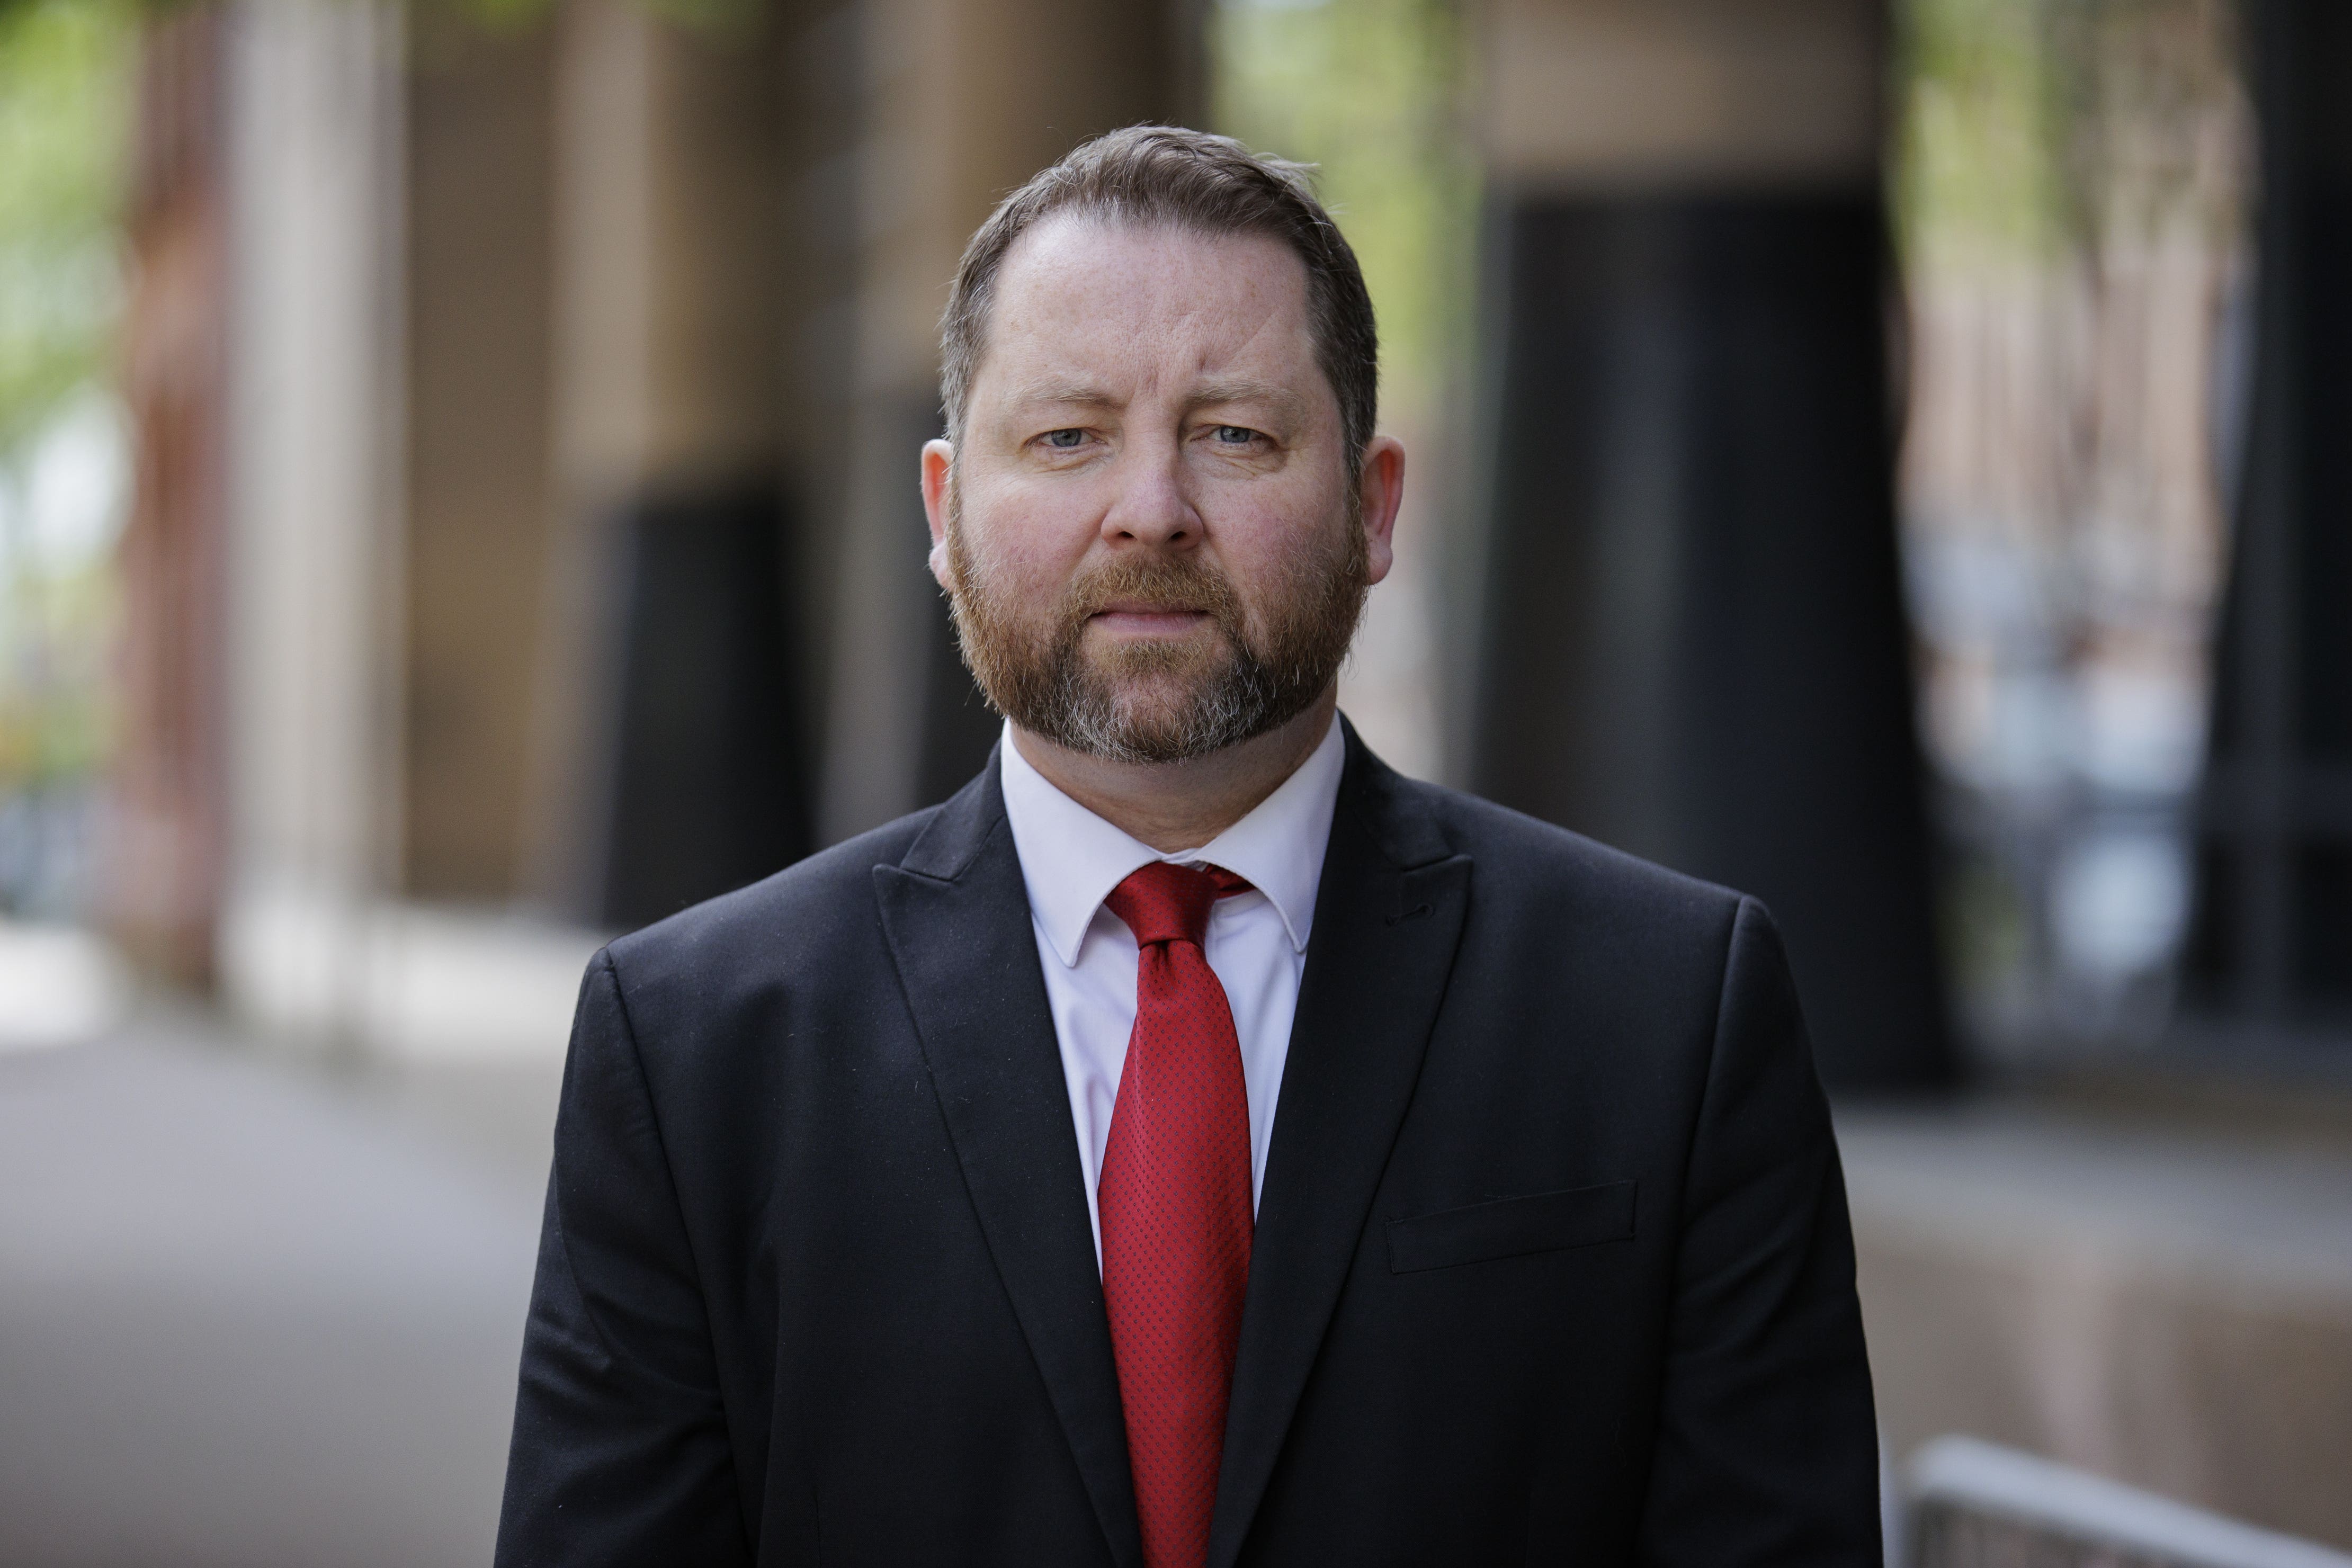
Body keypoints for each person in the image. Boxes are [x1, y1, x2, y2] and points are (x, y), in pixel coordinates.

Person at [495, 126, 1880, 1568]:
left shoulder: (1670, 1014)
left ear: (1372, 506)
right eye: (1067, 435)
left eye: (1232, 433)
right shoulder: (694, 1048)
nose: (1149, 509)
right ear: (943, 512)